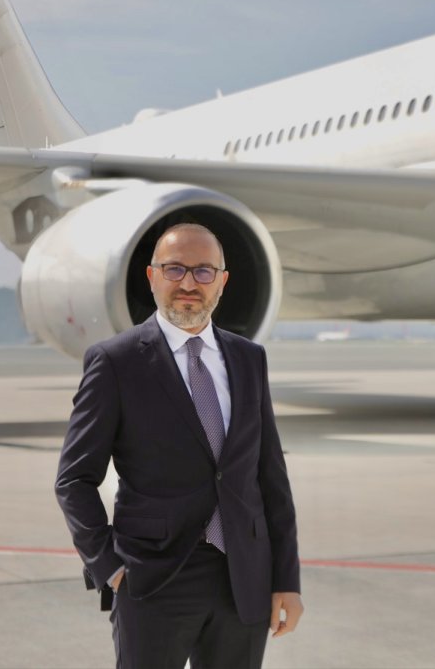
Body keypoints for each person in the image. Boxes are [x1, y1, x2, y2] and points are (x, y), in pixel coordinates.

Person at [54, 222, 303, 669]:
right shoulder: (115, 362)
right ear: (152, 277)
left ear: (222, 282)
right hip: (152, 581)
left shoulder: (249, 358)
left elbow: (270, 477)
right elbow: (74, 480)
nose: (189, 283)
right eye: (174, 269)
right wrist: (110, 567)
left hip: (243, 580)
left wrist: (286, 578)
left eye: (204, 271)